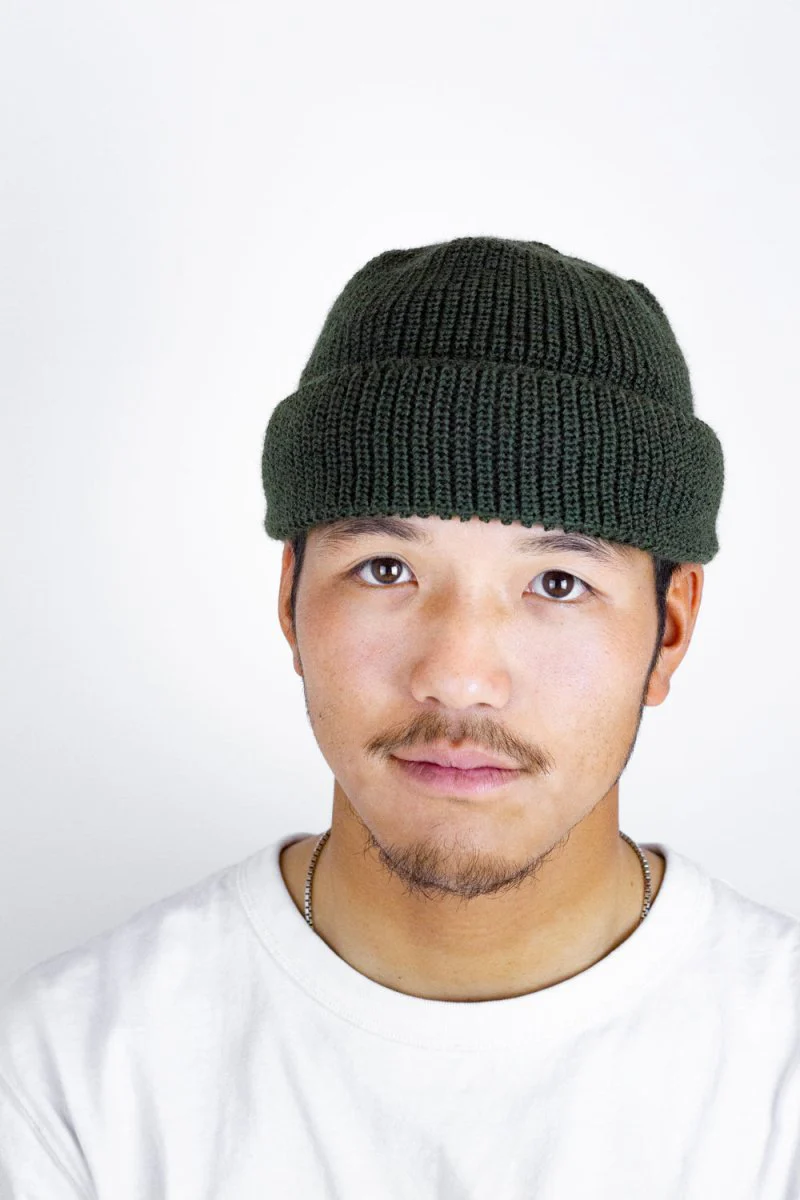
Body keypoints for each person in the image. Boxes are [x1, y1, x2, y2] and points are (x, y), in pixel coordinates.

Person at [1, 235, 798, 1199]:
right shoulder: (72, 1074)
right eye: (387, 570)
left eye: (557, 582)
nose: (459, 679)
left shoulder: (776, 1078)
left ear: (669, 632)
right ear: (290, 600)